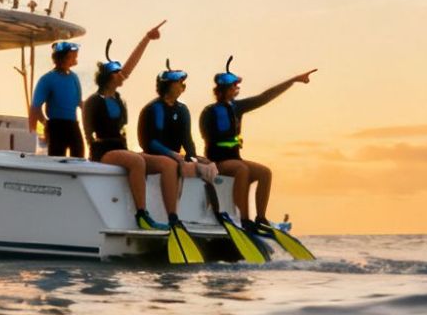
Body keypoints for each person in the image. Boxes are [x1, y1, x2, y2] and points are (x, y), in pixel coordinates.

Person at [200, 58, 316, 231]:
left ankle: (260, 218)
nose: (236, 89)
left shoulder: (237, 107)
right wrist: (232, 141)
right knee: (242, 169)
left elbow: (265, 97)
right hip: (217, 161)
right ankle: (244, 220)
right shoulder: (209, 112)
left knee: (264, 172)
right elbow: (208, 137)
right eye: (233, 87)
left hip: (235, 159)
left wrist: (293, 80)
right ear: (224, 90)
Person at [81, 22, 175, 229]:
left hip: (120, 148)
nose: (122, 74)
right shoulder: (94, 101)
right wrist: (91, 151)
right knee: (136, 162)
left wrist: (146, 39)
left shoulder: (117, 98)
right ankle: (141, 214)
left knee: (167, 164)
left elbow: (131, 64)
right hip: (103, 150)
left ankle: (173, 218)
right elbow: (87, 130)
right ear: (108, 77)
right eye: (117, 73)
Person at [136, 62, 216, 226]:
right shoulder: (154, 108)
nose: (182, 86)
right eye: (179, 83)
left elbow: (187, 139)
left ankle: (211, 216)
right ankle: (172, 217)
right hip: (156, 155)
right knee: (171, 165)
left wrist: (193, 157)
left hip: (176, 156)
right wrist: (172, 154)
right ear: (168, 85)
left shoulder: (182, 110)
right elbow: (149, 141)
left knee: (209, 167)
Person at [30, 41, 85, 157]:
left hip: (73, 125)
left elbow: (80, 103)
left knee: (79, 154)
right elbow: (35, 106)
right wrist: (44, 124)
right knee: (56, 157)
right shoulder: (47, 79)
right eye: (73, 54)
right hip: (56, 126)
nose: (76, 56)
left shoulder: (74, 78)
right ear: (64, 57)